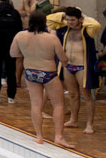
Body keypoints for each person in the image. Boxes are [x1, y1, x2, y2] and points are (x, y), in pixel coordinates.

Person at [10, 18, 71, 148]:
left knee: (36, 104)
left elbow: (13, 53)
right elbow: (63, 58)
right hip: (48, 73)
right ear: (44, 24)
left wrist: (28, 53)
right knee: (58, 105)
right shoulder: (51, 38)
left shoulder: (20, 35)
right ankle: (59, 136)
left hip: (31, 73)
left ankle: (39, 136)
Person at [57, 7, 95, 133]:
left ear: (80, 19)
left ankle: (90, 124)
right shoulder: (65, 29)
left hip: (82, 66)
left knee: (87, 96)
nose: (70, 22)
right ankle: (74, 120)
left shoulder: (87, 30)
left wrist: (84, 16)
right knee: (73, 94)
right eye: (67, 20)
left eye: (73, 20)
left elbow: (96, 24)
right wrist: (63, 15)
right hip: (68, 66)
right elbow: (49, 20)